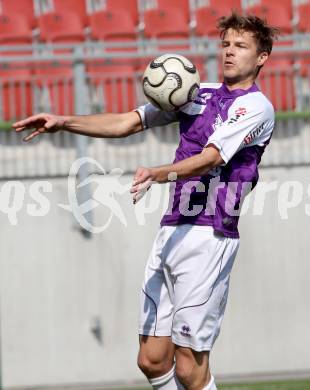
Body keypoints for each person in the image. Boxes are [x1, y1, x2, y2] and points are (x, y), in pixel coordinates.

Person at [13, 12, 278, 390]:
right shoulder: (196, 93)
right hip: (172, 229)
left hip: (210, 236)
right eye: (225, 44)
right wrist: (63, 121)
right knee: (152, 361)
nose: (229, 53)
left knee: (189, 368)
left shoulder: (256, 107)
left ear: (262, 56)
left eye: (241, 46)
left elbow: (212, 157)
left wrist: (158, 172)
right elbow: (127, 122)